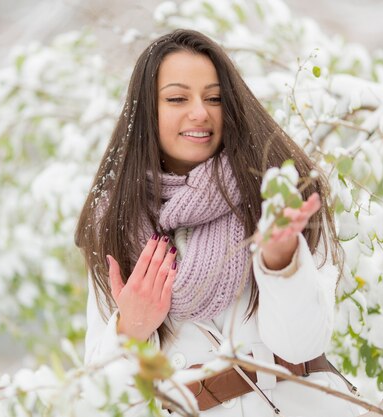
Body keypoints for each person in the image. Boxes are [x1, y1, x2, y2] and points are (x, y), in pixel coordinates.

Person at [75, 29, 363, 416]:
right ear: (146, 111)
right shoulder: (115, 222)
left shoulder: (278, 194)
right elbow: (100, 399)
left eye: (214, 98)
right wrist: (130, 330)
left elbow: (302, 344)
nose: (200, 112)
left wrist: (280, 260)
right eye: (178, 98)